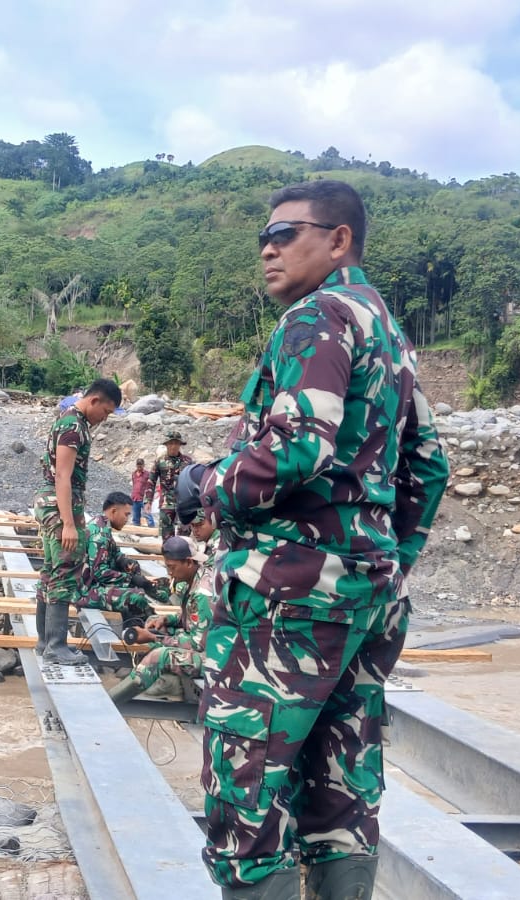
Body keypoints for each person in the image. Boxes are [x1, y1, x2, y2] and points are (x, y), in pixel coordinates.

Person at [190, 180, 449, 900]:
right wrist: (386, 561)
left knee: (246, 794)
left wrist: (207, 487)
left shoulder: (317, 317)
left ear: (338, 240)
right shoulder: (385, 329)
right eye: (263, 238)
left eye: (286, 233)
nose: (268, 248)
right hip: (365, 595)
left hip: (289, 594)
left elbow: (298, 447)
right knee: (341, 790)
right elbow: (429, 468)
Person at [33, 377, 123, 665]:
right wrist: (69, 523)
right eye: (106, 412)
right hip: (60, 507)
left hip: (52, 504)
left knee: (51, 571)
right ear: (94, 400)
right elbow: (63, 475)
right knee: (65, 571)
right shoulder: (74, 426)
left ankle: (45, 642)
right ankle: (56, 646)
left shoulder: (69, 419)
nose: (104, 419)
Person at [105, 520, 217, 705]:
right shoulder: (194, 580)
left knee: (160, 655)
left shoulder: (202, 593)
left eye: (172, 567)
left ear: (189, 562)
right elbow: (193, 620)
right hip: (206, 647)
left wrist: (152, 638)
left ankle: (111, 702)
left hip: (215, 659)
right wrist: (167, 619)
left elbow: (197, 646)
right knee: (158, 625)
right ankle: (168, 682)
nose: (169, 572)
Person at [77, 490, 164, 626]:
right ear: (113, 511)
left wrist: (125, 562)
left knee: (133, 569)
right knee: (135, 599)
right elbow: (100, 573)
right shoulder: (99, 535)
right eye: (126, 514)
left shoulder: (102, 526)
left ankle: (140, 618)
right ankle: (137, 631)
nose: (127, 519)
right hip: (86, 592)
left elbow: (114, 554)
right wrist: (131, 579)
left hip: (94, 585)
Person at [154, 431, 194, 540]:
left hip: (184, 502)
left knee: (185, 532)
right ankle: (169, 555)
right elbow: (151, 481)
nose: (173, 446)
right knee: (167, 534)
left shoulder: (188, 461)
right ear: (166, 444)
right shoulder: (159, 461)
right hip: (167, 503)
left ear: (180, 445)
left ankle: (182, 554)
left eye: (176, 443)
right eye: (171, 443)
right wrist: (148, 500)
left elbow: (194, 482)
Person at [130, 459, 155, 527]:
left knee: (148, 515)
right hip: (135, 497)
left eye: (141, 466)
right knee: (136, 516)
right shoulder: (134, 474)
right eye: (138, 466)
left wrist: (149, 497)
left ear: (143, 465)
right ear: (136, 466)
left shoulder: (147, 474)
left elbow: (151, 485)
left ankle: (152, 530)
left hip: (144, 498)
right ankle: (136, 530)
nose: (139, 468)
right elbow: (134, 484)